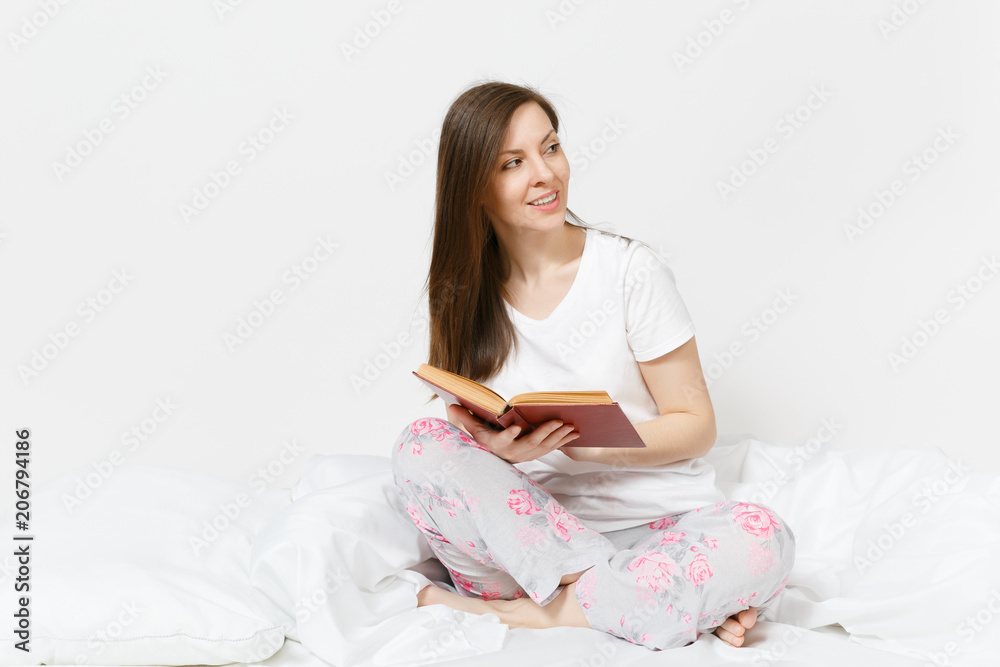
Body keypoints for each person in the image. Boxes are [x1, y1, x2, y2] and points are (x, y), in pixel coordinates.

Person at [390, 80, 795, 651]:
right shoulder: (463, 291)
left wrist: (593, 446)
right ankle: (642, 603)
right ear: (475, 189)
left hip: (660, 531)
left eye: (550, 148)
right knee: (418, 444)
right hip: (529, 546)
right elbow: (464, 433)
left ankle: (543, 614)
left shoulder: (631, 271)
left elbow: (696, 424)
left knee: (764, 537)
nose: (545, 174)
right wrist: (496, 448)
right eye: (513, 162)